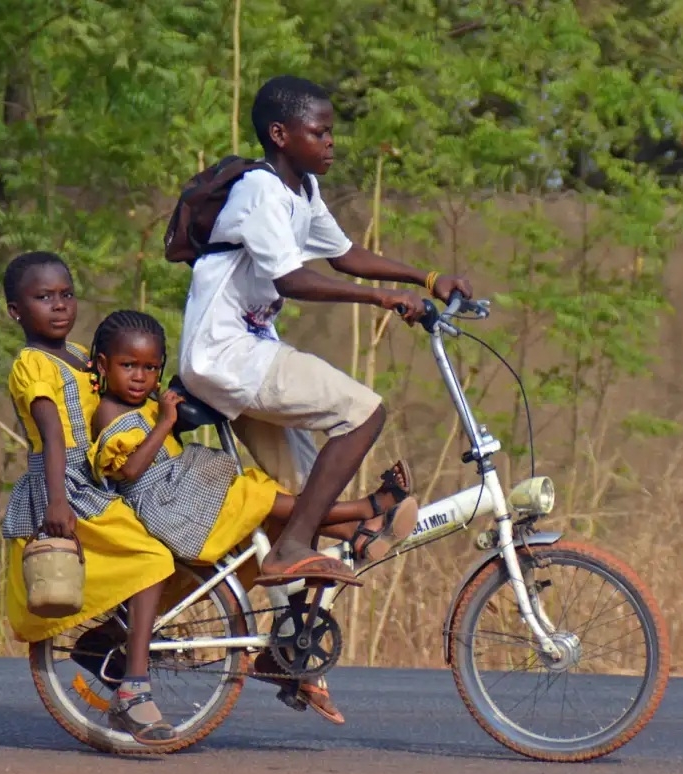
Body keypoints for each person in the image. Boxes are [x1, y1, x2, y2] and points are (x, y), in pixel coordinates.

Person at [177, 74, 474, 594]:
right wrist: (380, 299)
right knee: (363, 412)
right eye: (319, 132)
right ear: (280, 134)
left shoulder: (302, 189)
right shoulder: (260, 191)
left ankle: (292, 645)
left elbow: (343, 254)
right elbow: (291, 278)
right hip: (227, 354)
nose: (330, 142)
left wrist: (425, 279)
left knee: (303, 495)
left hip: (248, 355)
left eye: (330, 131)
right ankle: (312, 541)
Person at [0, 251, 178, 745]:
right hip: (65, 484)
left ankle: (106, 647)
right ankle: (133, 690)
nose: (58, 306)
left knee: (162, 549)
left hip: (93, 477)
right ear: (15, 311)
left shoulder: (81, 354)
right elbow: (53, 434)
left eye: (66, 294)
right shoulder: (31, 364)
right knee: (150, 559)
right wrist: (58, 502)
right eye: (42, 298)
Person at [86, 309, 420, 571]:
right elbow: (130, 470)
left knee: (265, 491)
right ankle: (366, 508)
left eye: (149, 368)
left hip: (181, 492)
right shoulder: (108, 412)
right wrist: (166, 422)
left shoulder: (144, 404)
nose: (139, 377)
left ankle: (351, 530)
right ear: (103, 365)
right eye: (128, 366)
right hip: (167, 507)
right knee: (258, 496)